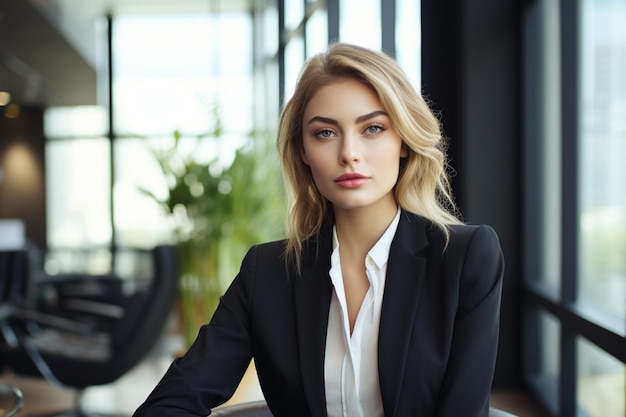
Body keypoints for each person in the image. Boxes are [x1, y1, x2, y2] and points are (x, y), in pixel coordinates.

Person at [133, 42, 504, 417]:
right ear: (303, 152)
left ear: (403, 141)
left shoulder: (465, 258)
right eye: (325, 133)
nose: (349, 153)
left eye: (373, 128)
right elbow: (172, 401)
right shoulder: (268, 272)